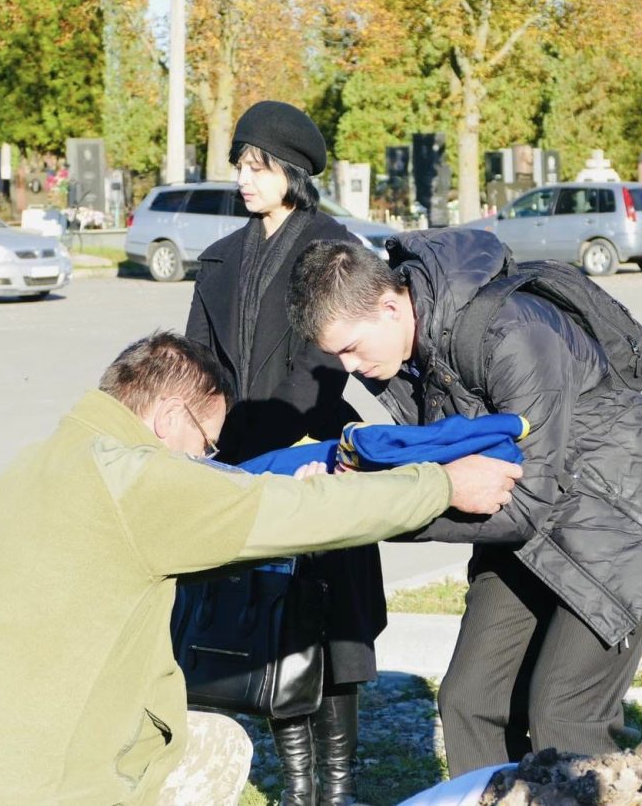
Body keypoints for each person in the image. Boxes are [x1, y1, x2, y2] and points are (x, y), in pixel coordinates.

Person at [0, 331, 521, 806]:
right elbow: (290, 513)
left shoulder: (39, 463)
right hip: (40, 785)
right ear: (170, 416)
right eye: (206, 446)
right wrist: (440, 483)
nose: (207, 461)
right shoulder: (138, 479)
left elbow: (139, 563)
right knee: (220, 747)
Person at [287, 233, 642, 778]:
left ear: (391, 306)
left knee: (564, 712)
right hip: (530, 530)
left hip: (624, 525)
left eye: (349, 347)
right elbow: (450, 465)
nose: (347, 367)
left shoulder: (513, 333)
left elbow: (527, 499)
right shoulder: (409, 355)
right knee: (469, 701)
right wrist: (365, 476)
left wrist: (376, 507)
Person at [184, 100, 382, 805]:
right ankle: (297, 785)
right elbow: (198, 364)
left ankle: (339, 786)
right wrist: (204, 438)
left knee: (331, 630)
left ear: (291, 172)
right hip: (238, 462)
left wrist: (264, 444)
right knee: (270, 624)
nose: (244, 177)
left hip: (312, 454)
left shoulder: (329, 247)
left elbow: (326, 362)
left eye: (256, 165)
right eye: (240, 163)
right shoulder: (222, 258)